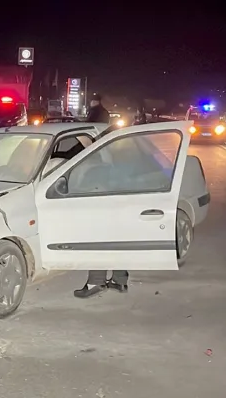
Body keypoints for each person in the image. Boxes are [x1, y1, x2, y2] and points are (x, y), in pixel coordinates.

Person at [74, 93, 128, 299]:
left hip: (105, 199)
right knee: (116, 238)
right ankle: (119, 280)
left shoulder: (101, 152)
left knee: (98, 238)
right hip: (120, 199)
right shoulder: (120, 145)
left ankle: (96, 282)